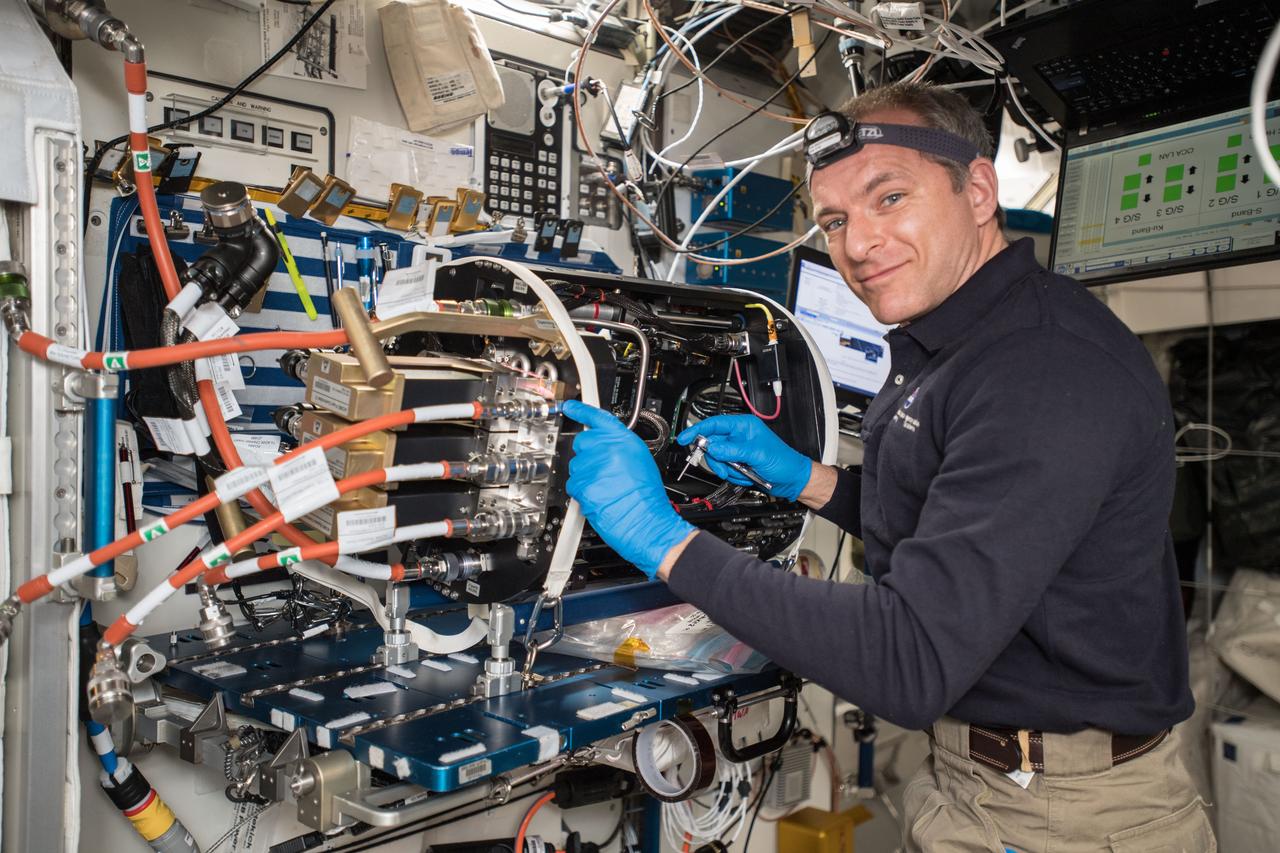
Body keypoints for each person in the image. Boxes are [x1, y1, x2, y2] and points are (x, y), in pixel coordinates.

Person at [560, 81, 1213, 852]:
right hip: (980, 784)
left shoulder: (1042, 367)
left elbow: (909, 661)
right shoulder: (955, 338)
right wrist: (807, 479)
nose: (858, 246)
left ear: (977, 190)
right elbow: (956, 521)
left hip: (1066, 818)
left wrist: (659, 536)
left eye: (889, 197)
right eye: (835, 221)